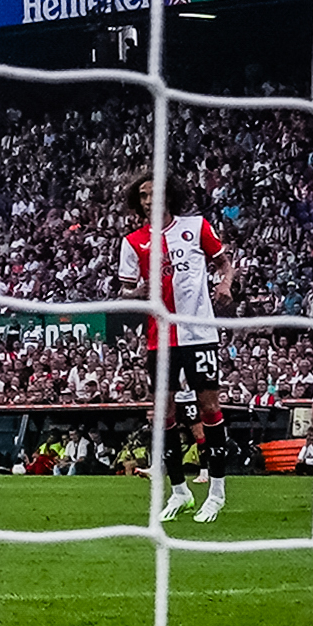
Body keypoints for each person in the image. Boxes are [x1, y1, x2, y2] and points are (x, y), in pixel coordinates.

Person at [121, 172, 235, 526]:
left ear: (169, 195)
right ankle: (179, 491)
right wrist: (137, 293)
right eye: (143, 195)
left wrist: (225, 284)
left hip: (199, 331)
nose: (149, 199)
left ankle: (216, 492)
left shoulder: (197, 226)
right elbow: (126, 290)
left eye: (155, 193)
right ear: (137, 201)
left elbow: (223, 262)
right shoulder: (132, 242)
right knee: (164, 414)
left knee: (208, 406)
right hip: (160, 337)